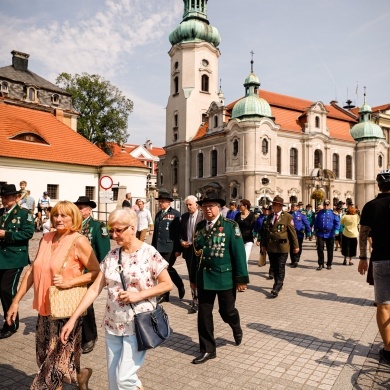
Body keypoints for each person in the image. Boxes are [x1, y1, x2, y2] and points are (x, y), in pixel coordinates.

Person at [60, 208, 173, 390]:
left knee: (125, 379)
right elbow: (95, 289)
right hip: (113, 324)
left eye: (118, 230)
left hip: (137, 324)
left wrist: (138, 295)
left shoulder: (149, 253)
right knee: (114, 381)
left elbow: (167, 284)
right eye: (111, 230)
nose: (114, 235)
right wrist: (73, 319)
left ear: (133, 227)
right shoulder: (112, 256)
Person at [6, 200, 100, 389]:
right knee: (44, 358)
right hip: (44, 309)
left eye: (64, 215)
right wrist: (15, 302)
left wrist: (70, 282)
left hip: (66, 312)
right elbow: (32, 271)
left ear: (73, 218)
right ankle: (80, 375)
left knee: (53, 367)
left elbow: (97, 272)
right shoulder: (46, 237)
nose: (58, 219)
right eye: (56, 215)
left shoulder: (78, 240)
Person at [190, 192, 248, 364]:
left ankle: (236, 327)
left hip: (225, 278)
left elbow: (238, 253)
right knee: (204, 314)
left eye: (211, 206)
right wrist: (193, 278)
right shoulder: (200, 226)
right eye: (205, 206)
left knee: (227, 311)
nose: (208, 209)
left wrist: (241, 279)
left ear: (219, 208)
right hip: (205, 277)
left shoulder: (230, 226)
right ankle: (208, 349)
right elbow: (196, 254)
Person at [358, 169, 390, 364]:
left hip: (380, 259)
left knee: (383, 304)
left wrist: (362, 257)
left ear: (378, 186)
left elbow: (363, 234)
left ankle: (388, 348)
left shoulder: (370, 206)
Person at [74, 195, 111, 354]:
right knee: (76, 302)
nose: (79, 210)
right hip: (74, 272)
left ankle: (90, 336)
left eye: (81, 207)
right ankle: (78, 332)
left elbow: (103, 251)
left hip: (90, 271)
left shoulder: (98, 226)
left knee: (86, 305)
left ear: (89, 210)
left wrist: (104, 273)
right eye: (78, 207)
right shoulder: (74, 225)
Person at [0, 184, 35, 339]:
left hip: (15, 258)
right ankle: (9, 318)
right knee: (2, 290)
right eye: (2, 197)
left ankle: (11, 324)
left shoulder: (24, 213)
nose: (3, 200)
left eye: (7, 197)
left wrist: (6, 235)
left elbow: (28, 233)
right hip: (1, 257)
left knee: (7, 289)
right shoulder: (0, 212)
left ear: (16, 197)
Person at [261, 196, 299, 297]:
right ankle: (278, 282)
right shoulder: (269, 217)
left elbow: (292, 233)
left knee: (280, 266)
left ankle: (277, 286)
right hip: (271, 247)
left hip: (282, 246)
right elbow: (265, 232)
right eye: (272, 204)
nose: (272, 206)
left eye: (274, 204)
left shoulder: (287, 217)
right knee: (274, 266)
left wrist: (296, 246)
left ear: (279, 206)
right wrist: (263, 245)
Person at [151, 189, 183, 303]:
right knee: (162, 270)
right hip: (158, 247)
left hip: (170, 247)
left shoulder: (175, 214)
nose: (161, 203)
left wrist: (178, 249)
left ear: (169, 202)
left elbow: (178, 233)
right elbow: (156, 233)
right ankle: (165, 295)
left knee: (167, 269)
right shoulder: (158, 214)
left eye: (163, 201)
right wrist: (152, 248)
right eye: (160, 201)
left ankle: (179, 284)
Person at [178, 195, 204, 313]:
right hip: (189, 251)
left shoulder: (203, 217)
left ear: (196, 205)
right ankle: (195, 300)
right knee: (192, 276)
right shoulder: (184, 217)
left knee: (201, 276)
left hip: (201, 252)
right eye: (187, 205)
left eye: (190, 205)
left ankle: (203, 299)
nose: (188, 207)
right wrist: (181, 242)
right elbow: (181, 233)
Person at [313, 199, 340, 270]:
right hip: (321, 233)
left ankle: (329, 264)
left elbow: (337, 222)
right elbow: (316, 222)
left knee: (330, 249)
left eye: (327, 205)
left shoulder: (333, 213)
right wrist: (315, 230)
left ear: (329, 205)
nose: (326, 206)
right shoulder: (319, 213)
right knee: (320, 249)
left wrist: (337, 230)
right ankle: (321, 264)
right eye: (325, 204)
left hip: (330, 233)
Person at [234, 199, 256, 268]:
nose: (239, 207)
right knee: (239, 259)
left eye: (240, 205)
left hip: (248, 240)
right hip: (238, 239)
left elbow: (253, 227)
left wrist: (256, 236)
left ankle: (244, 275)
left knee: (244, 259)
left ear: (245, 206)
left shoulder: (252, 216)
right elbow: (235, 226)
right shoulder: (238, 215)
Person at [289, 203, 311, 268]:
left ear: (297, 207)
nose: (293, 207)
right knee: (291, 247)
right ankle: (293, 260)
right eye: (292, 206)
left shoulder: (301, 214)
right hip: (291, 233)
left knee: (299, 246)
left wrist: (308, 231)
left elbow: (306, 223)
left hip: (299, 233)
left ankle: (297, 258)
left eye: (294, 206)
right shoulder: (289, 214)